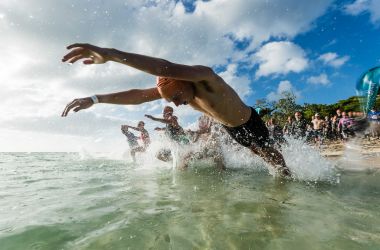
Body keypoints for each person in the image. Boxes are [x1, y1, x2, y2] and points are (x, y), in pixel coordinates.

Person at [61, 43, 290, 177]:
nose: (177, 104)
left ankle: (289, 183)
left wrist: (111, 54)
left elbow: (163, 67)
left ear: (183, 82)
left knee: (273, 160)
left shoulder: (206, 77)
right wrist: (95, 98)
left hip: (248, 120)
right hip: (230, 128)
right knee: (257, 154)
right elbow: (137, 95)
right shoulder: (174, 91)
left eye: (177, 97)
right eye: (171, 101)